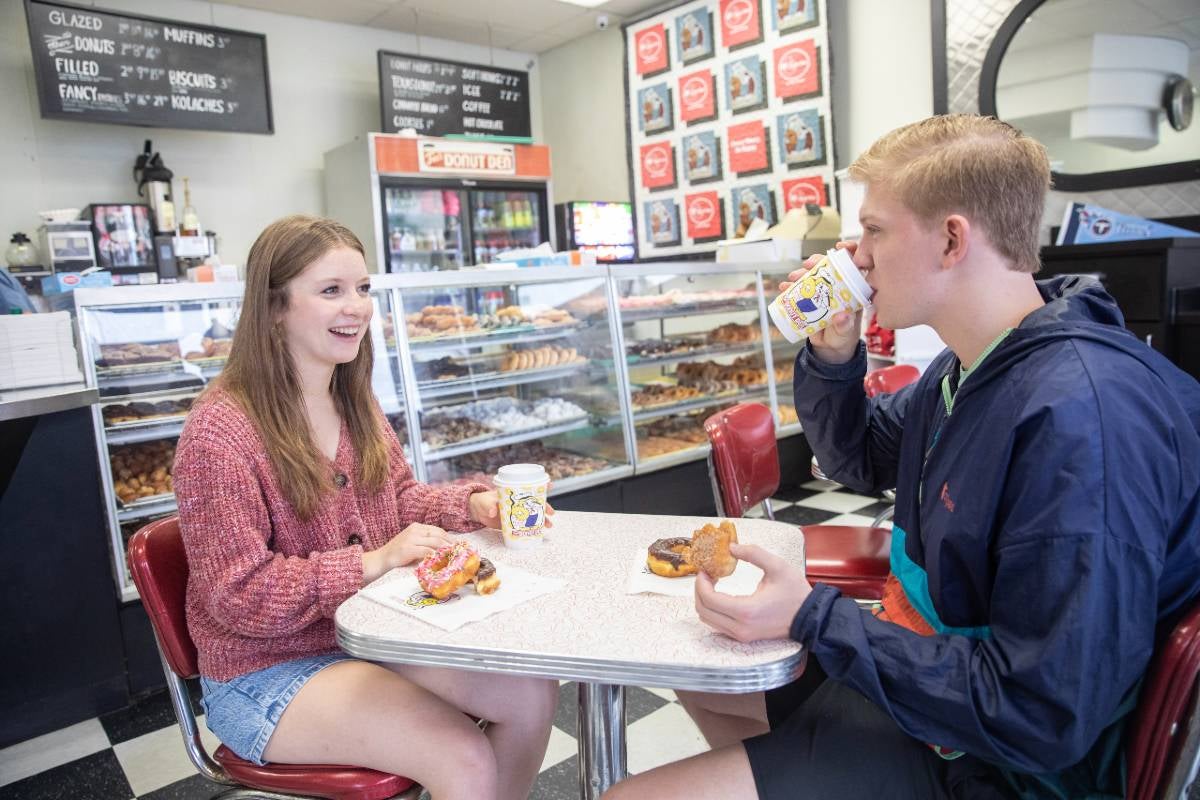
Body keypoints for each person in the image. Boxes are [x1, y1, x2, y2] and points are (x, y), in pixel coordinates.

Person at [604, 114, 1200, 799]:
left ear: (951, 240)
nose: (855, 255)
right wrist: (832, 352)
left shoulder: (1082, 421)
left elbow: (1042, 713)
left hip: (1008, 762)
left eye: (875, 230)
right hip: (937, 673)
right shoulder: (970, 368)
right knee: (701, 671)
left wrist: (813, 616)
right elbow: (856, 459)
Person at [173, 214, 558, 800]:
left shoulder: (350, 398)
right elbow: (238, 595)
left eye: (362, 289)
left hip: (370, 633)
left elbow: (398, 498)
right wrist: (372, 563)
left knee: (532, 695)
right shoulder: (219, 434)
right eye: (331, 291)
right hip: (268, 669)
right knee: (464, 756)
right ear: (274, 307)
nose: (356, 307)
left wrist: (474, 505)